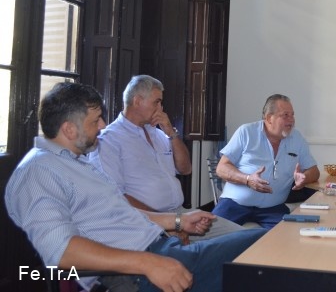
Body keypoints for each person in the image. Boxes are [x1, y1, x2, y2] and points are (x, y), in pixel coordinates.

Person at [5, 82, 266, 292]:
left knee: (262, 245)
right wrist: (148, 263)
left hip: (159, 251)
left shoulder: (76, 163)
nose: (102, 126)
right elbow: (62, 252)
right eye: (95, 120)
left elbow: (119, 213)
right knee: (260, 252)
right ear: (69, 129)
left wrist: (177, 220)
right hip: (137, 273)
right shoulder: (39, 171)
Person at [90, 75, 244, 242]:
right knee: (232, 246)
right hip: (146, 223)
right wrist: (169, 223)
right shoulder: (109, 140)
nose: (161, 108)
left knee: (248, 238)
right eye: (156, 102)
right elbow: (116, 197)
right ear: (137, 101)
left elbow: (186, 169)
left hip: (181, 214)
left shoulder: (159, 134)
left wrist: (171, 133)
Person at [212, 94, 320, 229]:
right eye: (285, 115)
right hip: (234, 203)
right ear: (269, 118)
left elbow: (314, 171)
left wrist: (304, 178)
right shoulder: (246, 132)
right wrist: (247, 179)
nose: (291, 120)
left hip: (273, 208)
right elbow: (222, 168)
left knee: (289, 237)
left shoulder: (297, 138)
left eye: (292, 115)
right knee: (210, 234)